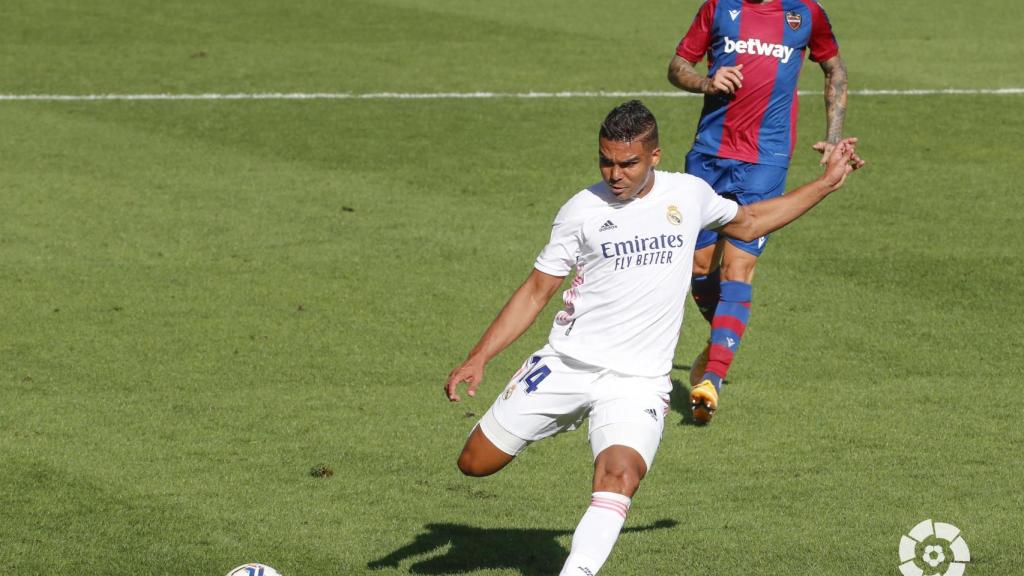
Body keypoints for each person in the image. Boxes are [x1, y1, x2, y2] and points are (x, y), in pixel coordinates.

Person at [444, 100, 863, 575]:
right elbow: (537, 290)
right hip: (568, 364)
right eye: (606, 161)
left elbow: (749, 223)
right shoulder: (581, 211)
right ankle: (560, 416)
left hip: (637, 380)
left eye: (628, 163)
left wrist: (827, 183)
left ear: (656, 156)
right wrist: (479, 357)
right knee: (474, 464)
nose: (615, 174)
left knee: (619, 476)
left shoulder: (688, 195)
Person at [668, 0, 849, 423]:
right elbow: (677, 66)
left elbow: (834, 69)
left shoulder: (806, 13)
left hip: (766, 160)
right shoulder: (718, 8)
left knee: (738, 267)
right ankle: (718, 344)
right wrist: (706, 82)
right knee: (698, 266)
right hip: (709, 154)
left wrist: (833, 137)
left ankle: (711, 378)